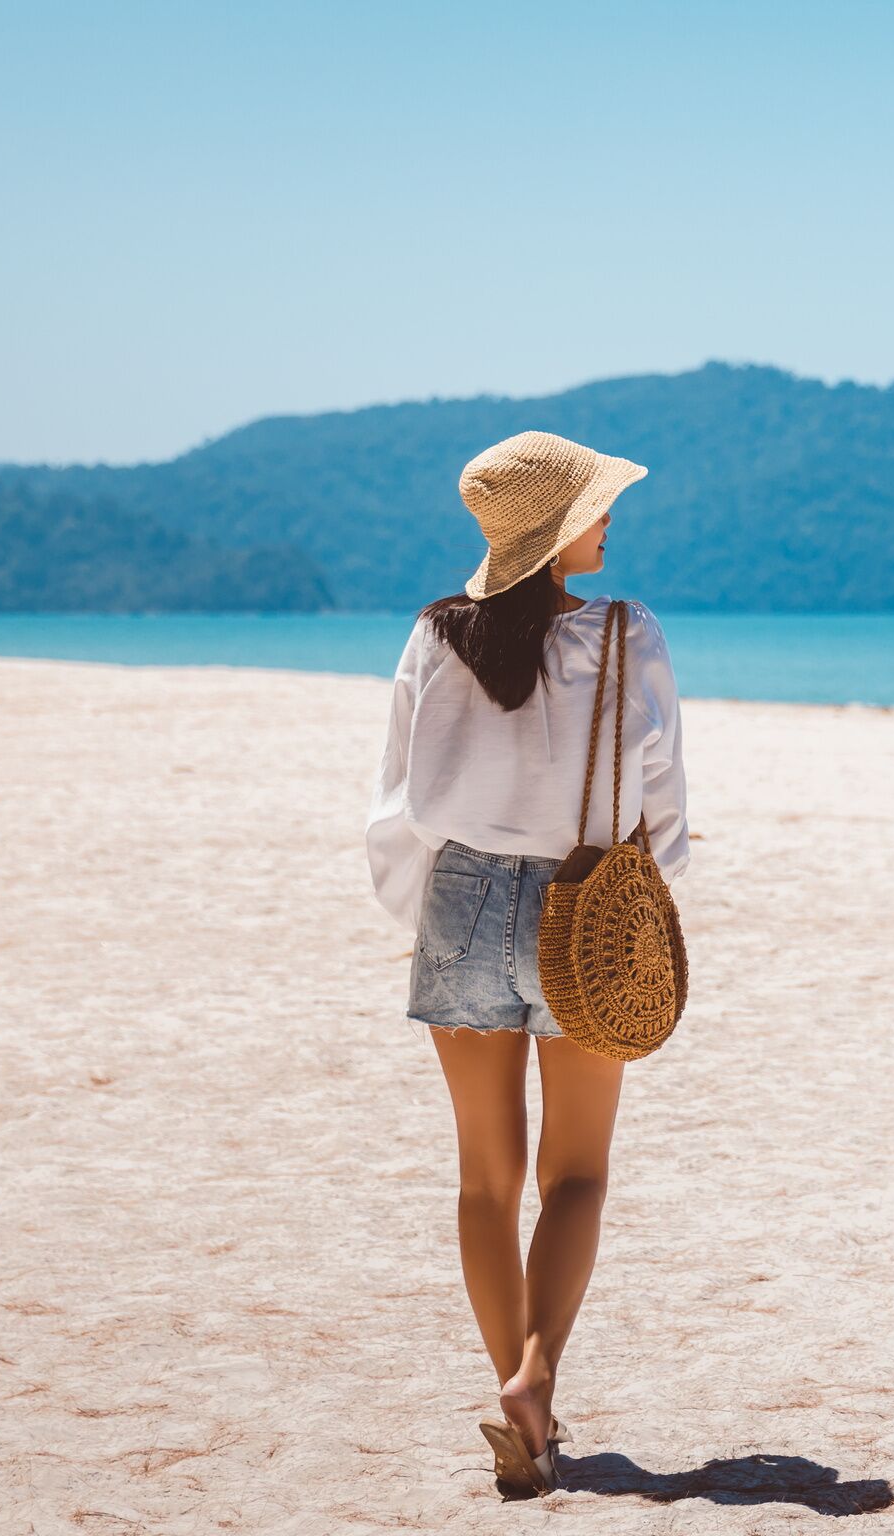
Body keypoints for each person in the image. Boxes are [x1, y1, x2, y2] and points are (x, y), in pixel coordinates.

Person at [365, 430, 692, 1499]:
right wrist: (645, 900)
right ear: (557, 536)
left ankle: (524, 1409)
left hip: (459, 900)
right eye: (596, 509)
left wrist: (428, 920)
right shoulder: (627, 633)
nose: (611, 522)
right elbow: (663, 805)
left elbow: (398, 809)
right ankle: (534, 1375)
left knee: (484, 1180)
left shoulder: (434, 637)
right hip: (583, 903)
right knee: (578, 1174)